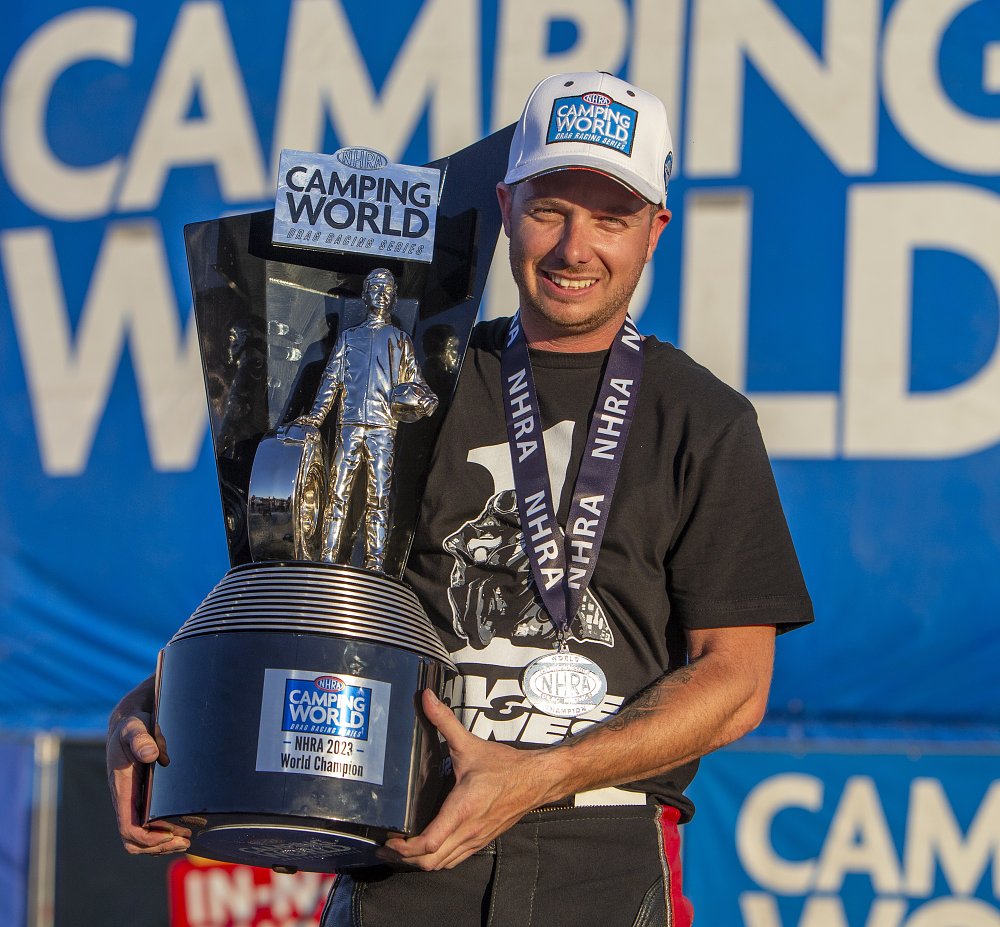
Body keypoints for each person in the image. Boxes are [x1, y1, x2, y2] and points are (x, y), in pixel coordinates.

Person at [107, 71, 813, 926]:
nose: (574, 248)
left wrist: (535, 777)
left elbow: (736, 684)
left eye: (610, 218)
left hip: (602, 856)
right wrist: (157, 712)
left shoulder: (702, 418)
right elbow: (304, 593)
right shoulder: (426, 375)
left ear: (655, 230)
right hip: (406, 849)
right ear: (507, 205)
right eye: (551, 208)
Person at [296, 266, 437, 572]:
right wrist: (317, 417)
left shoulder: (400, 341)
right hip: (349, 426)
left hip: (384, 429)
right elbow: (331, 381)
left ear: (395, 298)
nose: (381, 293)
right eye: (375, 287)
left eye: (387, 289)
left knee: (379, 496)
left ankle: (375, 563)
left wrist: (428, 402)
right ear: (365, 295)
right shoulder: (349, 338)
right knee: (337, 492)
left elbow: (418, 383)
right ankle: (328, 557)